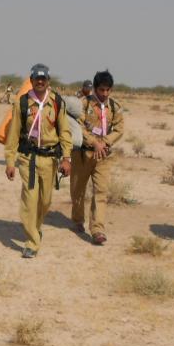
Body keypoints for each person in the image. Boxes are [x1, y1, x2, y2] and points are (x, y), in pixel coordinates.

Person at [4, 64, 72, 258]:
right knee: (30, 200)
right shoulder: (22, 102)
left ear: (48, 81)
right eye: (36, 79)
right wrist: (10, 161)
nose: (40, 82)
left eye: (43, 79)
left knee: (45, 201)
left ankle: (36, 227)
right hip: (29, 159)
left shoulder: (57, 102)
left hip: (50, 159)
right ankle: (32, 242)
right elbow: (13, 134)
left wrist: (67, 158)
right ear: (31, 80)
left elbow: (65, 132)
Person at [70, 70, 125, 245]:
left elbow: (119, 129)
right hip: (83, 154)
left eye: (108, 90)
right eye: (102, 90)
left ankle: (97, 229)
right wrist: (94, 142)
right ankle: (77, 220)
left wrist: (105, 142)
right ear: (95, 88)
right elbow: (78, 126)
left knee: (101, 191)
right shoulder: (83, 104)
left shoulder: (115, 107)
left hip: (104, 156)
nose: (105, 93)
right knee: (77, 189)